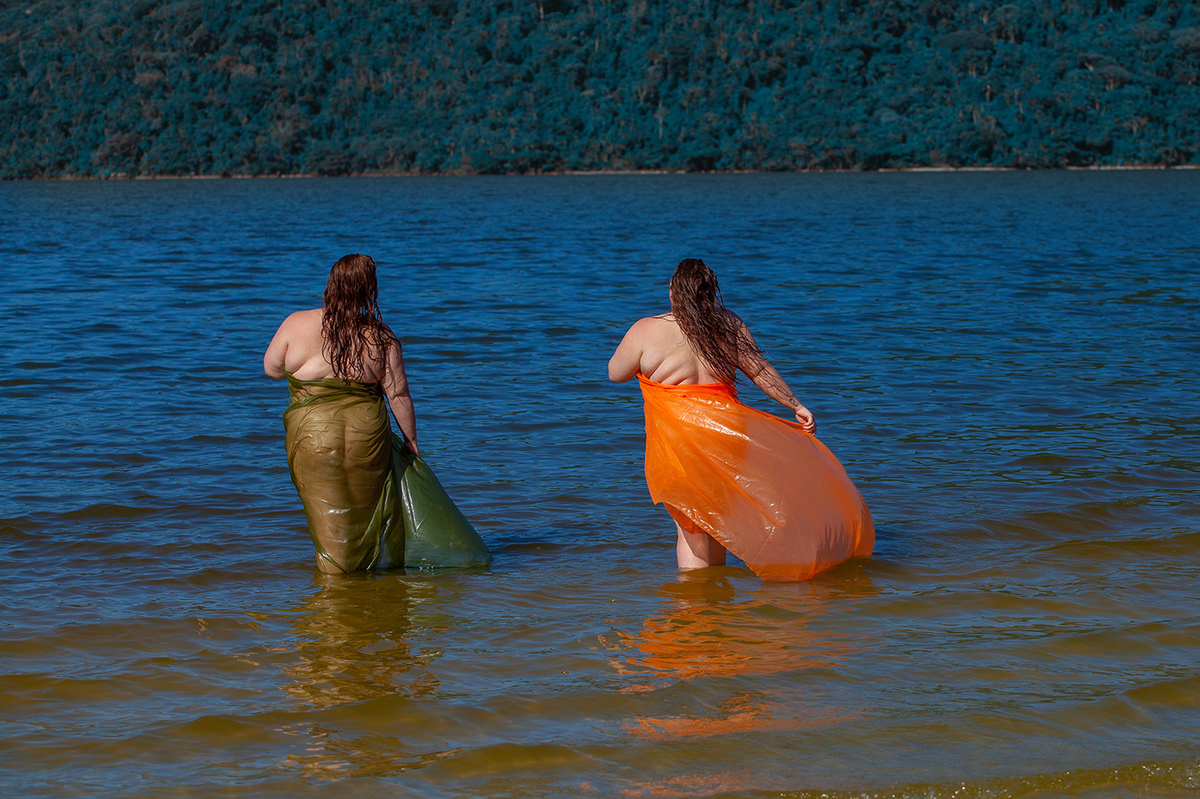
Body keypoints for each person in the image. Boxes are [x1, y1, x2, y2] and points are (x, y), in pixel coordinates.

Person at [608, 258, 874, 581]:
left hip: (681, 443)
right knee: (716, 520)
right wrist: (795, 404)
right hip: (727, 438)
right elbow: (760, 371)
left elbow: (615, 373)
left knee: (691, 526)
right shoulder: (729, 325)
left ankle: (696, 610)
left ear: (672, 293)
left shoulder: (647, 331)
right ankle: (720, 609)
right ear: (710, 294)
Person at [263, 253, 418, 573]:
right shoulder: (382, 336)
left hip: (314, 436)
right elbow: (398, 395)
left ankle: (334, 600)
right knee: (366, 516)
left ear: (331, 286)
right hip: (368, 439)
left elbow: (271, 369)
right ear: (369, 291)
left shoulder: (296, 323)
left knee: (329, 525)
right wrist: (411, 442)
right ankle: (369, 589)